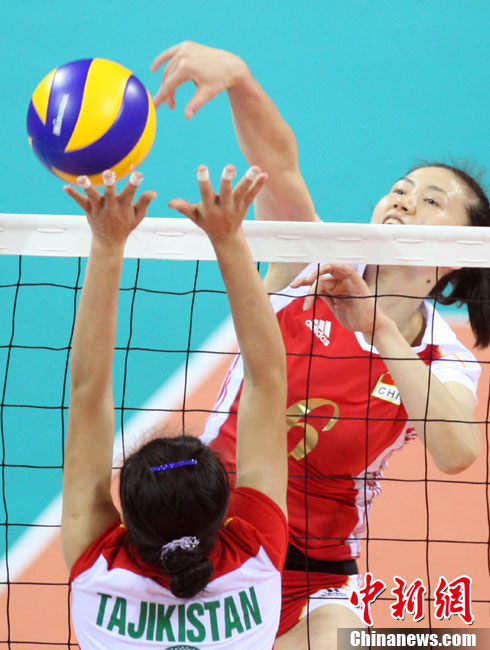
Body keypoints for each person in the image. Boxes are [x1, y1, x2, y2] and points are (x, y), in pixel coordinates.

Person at [150, 42, 487, 649]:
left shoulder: (444, 358)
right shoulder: (310, 265)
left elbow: (458, 450)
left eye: (432, 201)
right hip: (205, 530)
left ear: (460, 255)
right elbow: (278, 167)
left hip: (309, 574)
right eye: (401, 189)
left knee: (345, 641)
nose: (404, 199)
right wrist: (241, 80)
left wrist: (380, 331)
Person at [61, 164, 289, 649]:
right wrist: (229, 239)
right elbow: (267, 379)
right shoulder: (253, 556)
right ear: (226, 515)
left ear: (123, 524)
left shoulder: (101, 567)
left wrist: (107, 246)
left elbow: (88, 394)